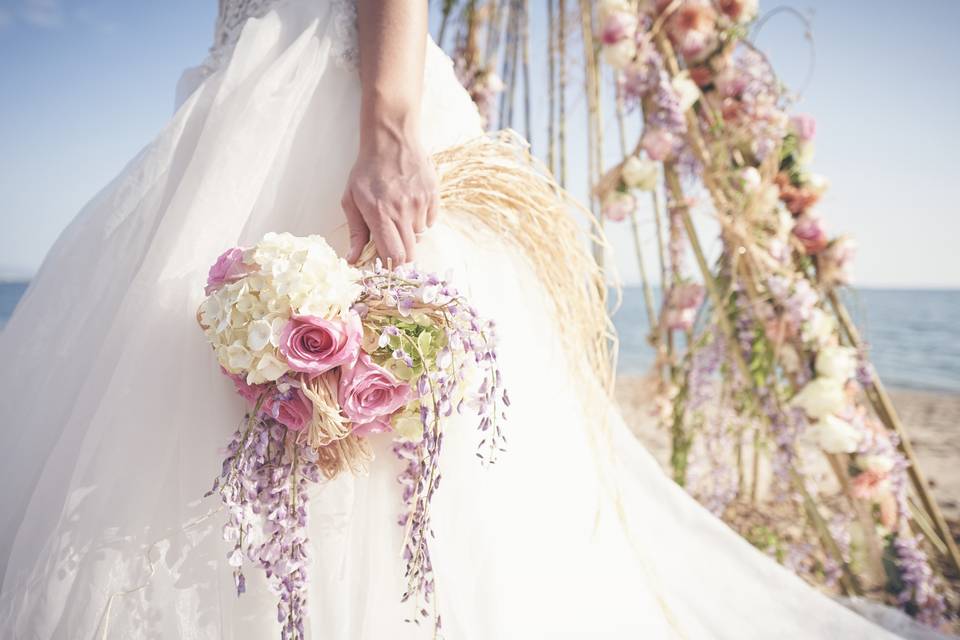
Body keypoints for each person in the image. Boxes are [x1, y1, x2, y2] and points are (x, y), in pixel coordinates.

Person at [0, 1, 945, 638]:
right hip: (245, 101)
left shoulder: (371, 115)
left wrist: (385, 126)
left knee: (402, 455)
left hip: (341, 95)